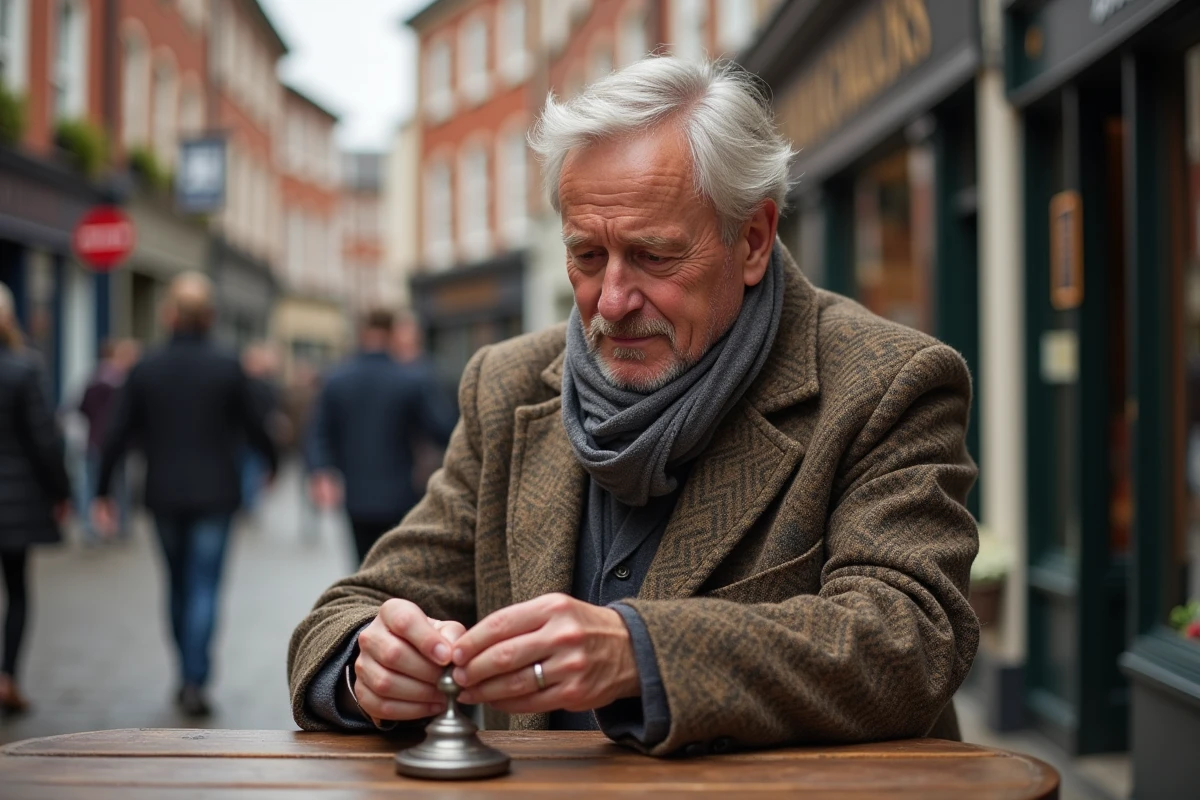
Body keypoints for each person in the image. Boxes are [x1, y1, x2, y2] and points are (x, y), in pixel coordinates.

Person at [288, 58, 979, 756]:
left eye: (652, 256)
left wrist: (642, 654)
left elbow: (913, 637)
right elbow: (354, 606)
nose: (611, 302)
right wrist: (364, 664)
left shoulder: (887, 381)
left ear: (752, 239)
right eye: (587, 256)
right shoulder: (508, 383)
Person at [93, 272, 278, 717]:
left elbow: (115, 434)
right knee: (205, 588)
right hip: (216, 493)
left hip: (164, 494)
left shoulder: (146, 366)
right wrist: (271, 463)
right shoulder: (227, 365)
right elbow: (257, 426)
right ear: (211, 316)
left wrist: (102, 491)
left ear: (169, 314)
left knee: (176, 585)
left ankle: (185, 671)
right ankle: (196, 677)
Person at [306, 309, 455, 564]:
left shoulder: (337, 378)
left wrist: (321, 471)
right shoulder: (410, 378)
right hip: (400, 491)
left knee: (362, 563)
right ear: (392, 333)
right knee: (394, 565)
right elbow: (442, 430)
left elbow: (319, 432)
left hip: (355, 491)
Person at [0, 283, 70, 714]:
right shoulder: (24, 369)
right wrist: (60, 492)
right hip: (15, 502)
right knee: (17, 591)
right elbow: (45, 440)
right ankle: (7, 676)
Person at [76, 338, 140, 543]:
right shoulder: (123, 384)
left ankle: (90, 527)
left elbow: (82, 407)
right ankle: (121, 525)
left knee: (92, 484)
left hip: (95, 439)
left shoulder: (95, 379)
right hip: (114, 442)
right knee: (119, 484)